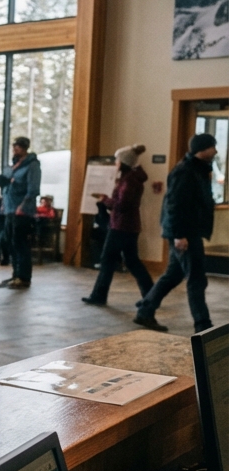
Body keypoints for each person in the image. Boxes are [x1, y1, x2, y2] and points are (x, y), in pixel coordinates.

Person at [133, 133, 218, 333]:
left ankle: (145, 311)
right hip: (185, 233)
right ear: (202, 148)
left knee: (172, 275)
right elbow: (174, 205)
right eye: (212, 146)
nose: (215, 150)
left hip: (190, 231)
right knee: (197, 279)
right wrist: (179, 235)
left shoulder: (199, 170)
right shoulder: (185, 171)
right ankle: (203, 326)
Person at [83, 145, 154, 307]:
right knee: (132, 261)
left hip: (120, 225)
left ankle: (99, 295)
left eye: (117, 159)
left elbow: (122, 205)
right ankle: (151, 294)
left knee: (107, 260)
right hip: (130, 225)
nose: (115, 162)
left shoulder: (128, 180)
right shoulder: (134, 178)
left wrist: (105, 200)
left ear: (123, 162)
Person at [0, 136, 41, 289]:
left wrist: (23, 206)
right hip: (9, 209)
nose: (15, 148)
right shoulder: (13, 166)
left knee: (21, 244)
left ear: (25, 148)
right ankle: (15, 274)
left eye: (19, 146)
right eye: (14, 145)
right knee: (11, 243)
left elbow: (33, 189)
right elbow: (7, 186)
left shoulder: (32, 165)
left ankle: (24, 277)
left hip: (22, 211)